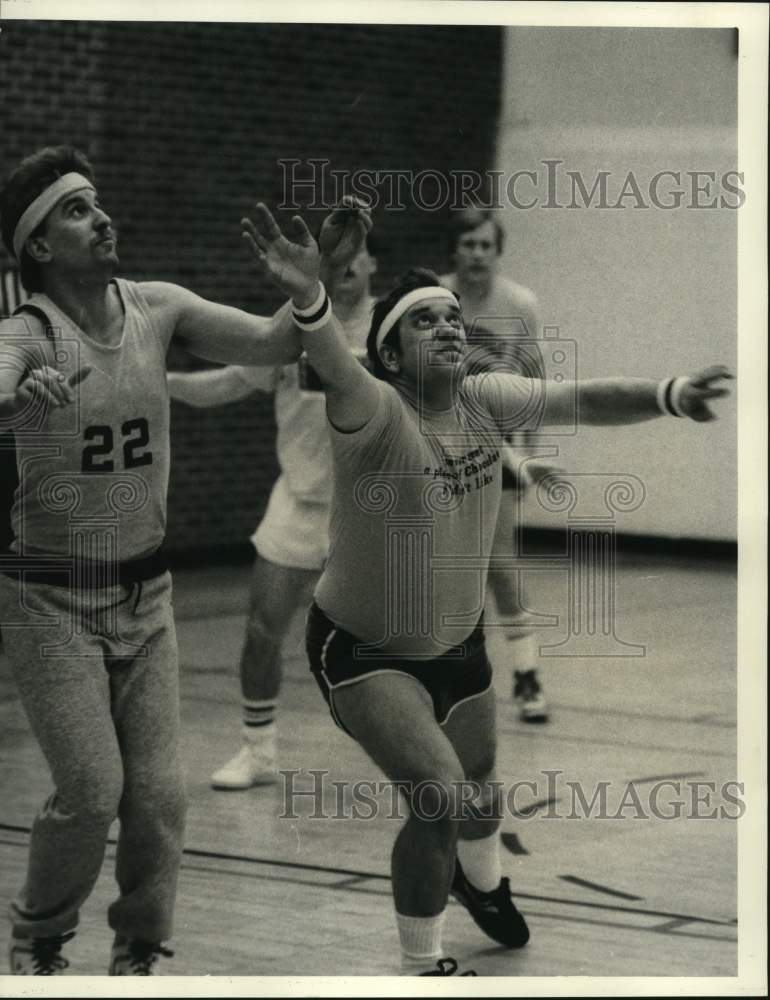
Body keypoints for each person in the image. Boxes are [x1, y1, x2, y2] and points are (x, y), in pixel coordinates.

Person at [241, 200, 731, 975]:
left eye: (451, 316)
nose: (448, 327)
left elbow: (583, 398)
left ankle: (484, 884)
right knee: (439, 796)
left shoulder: (482, 398)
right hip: (366, 652)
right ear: (391, 353)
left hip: (458, 642)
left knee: (481, 790)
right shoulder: (372, 408)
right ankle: (422, 963)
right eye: (424, 320)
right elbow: (329, 354)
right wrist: (309, 293)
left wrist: (669, 393)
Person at [0, 145, 308, 976]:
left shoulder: (158, 306)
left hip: (146, 595)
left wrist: (306, 292)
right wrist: (16, 400)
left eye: (97, 202)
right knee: (91, 790)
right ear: (38, 246)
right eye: (76, 210)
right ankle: (38, 938)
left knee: (161, 796)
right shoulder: (26, 333)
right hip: (49, 599)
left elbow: (277, 344)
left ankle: (137, 950)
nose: (102, 218)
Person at [167, 236, 377, 789]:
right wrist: (158, 384)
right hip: (299, 502)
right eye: (336, 253)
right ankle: (258, 752)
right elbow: (227, 383)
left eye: (357, 251)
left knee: (405, 641)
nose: (347, 263)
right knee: (262, 630)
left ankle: (431, 754)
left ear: (372, 262)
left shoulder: (392, 327)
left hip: (372, 509)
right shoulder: (292, 327)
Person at [441, 207, 549, 723]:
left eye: (486, 245)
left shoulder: (520, 304)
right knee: (444, 566)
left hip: (495, 446)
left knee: (500, 563)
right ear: (455, 249)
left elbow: (533, 382)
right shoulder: (434, 297)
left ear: (498, 251)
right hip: (438, 446)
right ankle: (447, 676)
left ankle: (527, 675)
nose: (478, 254)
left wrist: (528, 454)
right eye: (469, 244)